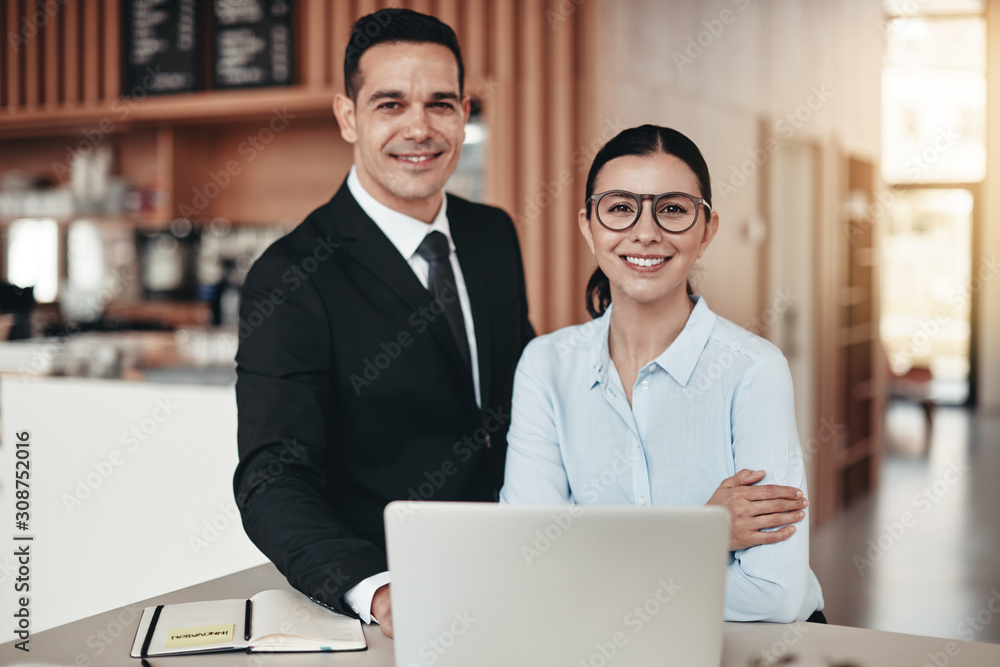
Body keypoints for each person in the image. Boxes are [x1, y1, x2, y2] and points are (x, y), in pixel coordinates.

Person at [234, 9, 534, 638]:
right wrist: (380, 590)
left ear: (464, 112)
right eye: (391, 104)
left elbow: (523, 402)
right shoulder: (291, 275)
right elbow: (272, 478)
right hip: (397, 608)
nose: (419, 128)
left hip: (518, 575)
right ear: (349, 116)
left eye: (440, 104)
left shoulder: (493, 235)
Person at [499, 125, 825, 623]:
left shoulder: (754, 370)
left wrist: (593, 576)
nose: (646, 232)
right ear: (588, 224)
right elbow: (530, 562)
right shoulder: (545, 366)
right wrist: (706, 531)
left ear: (707, 230)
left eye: (672, 209)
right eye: (620, 208)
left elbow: (772, 593)